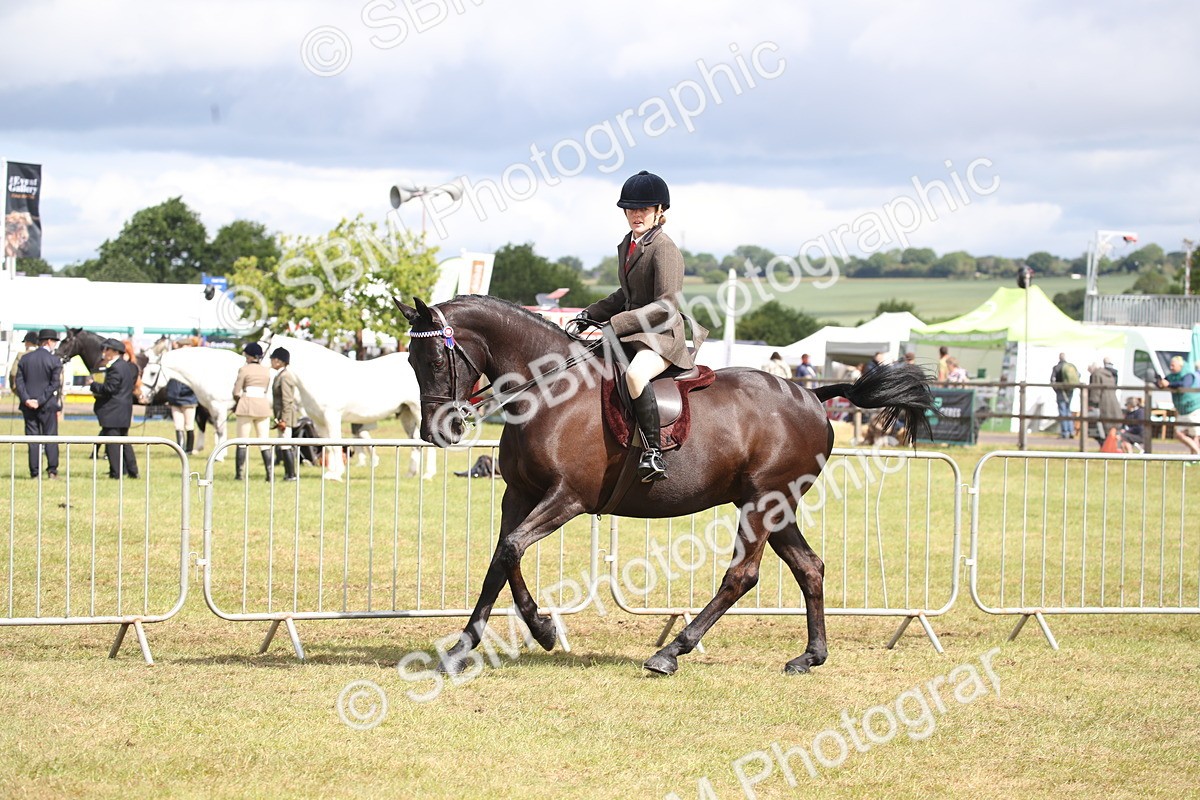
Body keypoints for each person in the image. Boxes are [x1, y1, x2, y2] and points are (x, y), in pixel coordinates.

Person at [579, 170, 707, 483]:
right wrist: (590, 313)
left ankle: (653, 452)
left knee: (635, 375)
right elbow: (627, 294)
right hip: (632, 333)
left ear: (659, 212)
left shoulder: (664, 248)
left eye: (644, 209)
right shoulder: (628, 244)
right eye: (632, 209)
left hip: (661, 338)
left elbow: (666, 306)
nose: (637, 215)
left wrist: (616, 322)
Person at [13, 329, 63, 479]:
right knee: (51, 437)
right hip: (47, 405)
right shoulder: (54, 360)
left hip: (28, 405)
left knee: (32, 439)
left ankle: (34, 472)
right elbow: (54, 384)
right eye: (54, 342)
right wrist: (40, 400)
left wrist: (27, 399)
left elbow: (19, 382)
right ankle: (52, 470)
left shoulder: (25, 359)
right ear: (49, 341)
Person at [91, 337, 139, 479]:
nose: (104, 352)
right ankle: (132, 470)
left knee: (113, 444)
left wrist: (93, 384)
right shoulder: (125, 366)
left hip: (113, 412)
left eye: (107, 349)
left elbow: (109, 388)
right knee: (124, 441)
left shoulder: (115, 368)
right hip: (122, 411)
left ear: (114, 352)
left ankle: (116, 472)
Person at [232, 342, 274, 481]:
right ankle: (269, 474)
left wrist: (237, 401)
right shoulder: (266, 370)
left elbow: (236, 391)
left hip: (246, 405)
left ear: (249, 356)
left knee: (242, 440)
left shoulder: (244, 369)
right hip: (262, 405)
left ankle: (240, 474)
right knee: (264, 440)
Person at [1157, 355, 1200, 456]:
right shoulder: (1171, 376)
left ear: (1180, 365)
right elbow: (1164, 383)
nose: (1171, 367)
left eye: (1173, 365)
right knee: (1179, 434)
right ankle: (1197, 454)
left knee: (1195, 435)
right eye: (1170, 365)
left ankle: (1194, 457)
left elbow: (1184, 385)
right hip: (1182, 410)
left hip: (1193, 408)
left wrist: (1169, 384)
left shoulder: (1188, 374)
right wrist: (1160, 383)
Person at [269, 347, 299, 482]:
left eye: (273, 359)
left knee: (286, 444)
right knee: (283, 444)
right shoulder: (280, 375)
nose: (271, 361)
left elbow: (287, 400)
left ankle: (291, 474)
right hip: (282, 415)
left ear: (279, 361)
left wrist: (284, 420)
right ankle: (289, 473)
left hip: (286, 416)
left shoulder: (285, 376)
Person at [1087, 362, 1120, 446]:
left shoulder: (1096, 374)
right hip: (1113, 401)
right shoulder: (1109, 374)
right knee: (1112, 427)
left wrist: (1091, 402)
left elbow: (1095, 391)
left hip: (1103, 402)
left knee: (1097, 426)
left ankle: (1105, 446)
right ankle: (1112, 446)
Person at [166, 377, 199, 454]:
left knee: (189, 426)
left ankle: (188, 449)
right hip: (177, 401)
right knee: (178, 426)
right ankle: (181, 449)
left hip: (188, 402)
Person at [1050, 353, 1079, 439]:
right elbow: (1078, 376)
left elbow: (1052, 380)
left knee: (1063, 411)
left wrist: (1056, 389)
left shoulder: (1057, 368)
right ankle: (1071, 431)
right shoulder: (1070, 367)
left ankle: (1065, 432)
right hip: (1070, 390)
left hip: (1061, 391)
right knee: (1068, 410)